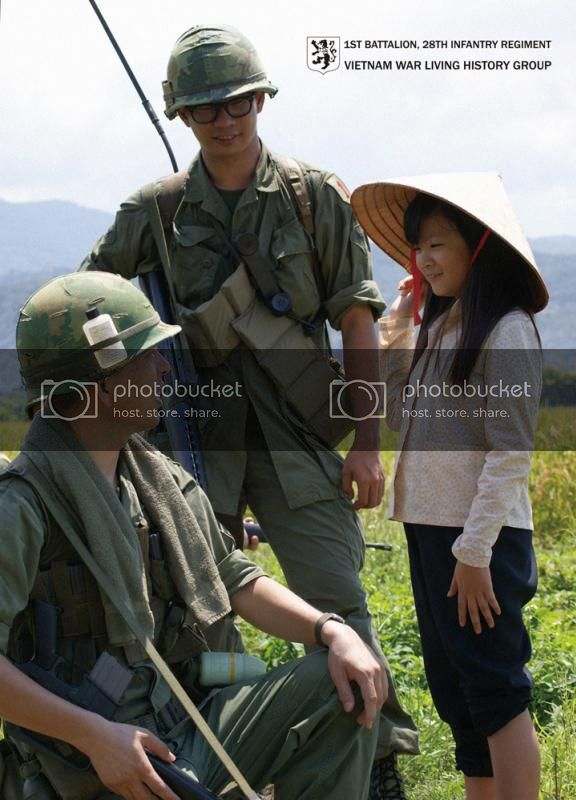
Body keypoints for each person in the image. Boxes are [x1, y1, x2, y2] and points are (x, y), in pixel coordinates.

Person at [80, 24, 418, 797]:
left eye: (237, 102)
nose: (225, 120)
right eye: (205, 109)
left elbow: (357, 321)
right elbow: (88, 307)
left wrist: (367, 443)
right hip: (196, 447)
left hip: (299, 439)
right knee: (207, 621)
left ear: (261, 97)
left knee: (335, 601)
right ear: (183, 118)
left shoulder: (314, 196)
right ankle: (237, 745)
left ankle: (375, 758)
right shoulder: (155, 214)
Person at [0, 271, 385, 800]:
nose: (163, 369)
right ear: (104, 384)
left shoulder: (155, 478)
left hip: (185, 715)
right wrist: (94, 738)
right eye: (146, 356)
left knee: (337, 681)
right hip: (97, 762)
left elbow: (235, 577)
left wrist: (331, 630)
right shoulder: (22, 506)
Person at [351, 173, 548, 800]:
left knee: (495, 690)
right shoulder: (441, 329)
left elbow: (510, 452)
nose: (426, 259)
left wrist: (473, 552)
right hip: (433, 532)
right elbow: (397, 409)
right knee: (458, 693)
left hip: (479, 545)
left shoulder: (506, 329)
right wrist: (402, 318)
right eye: (420, 247)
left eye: (439, 244)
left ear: (479, 246)